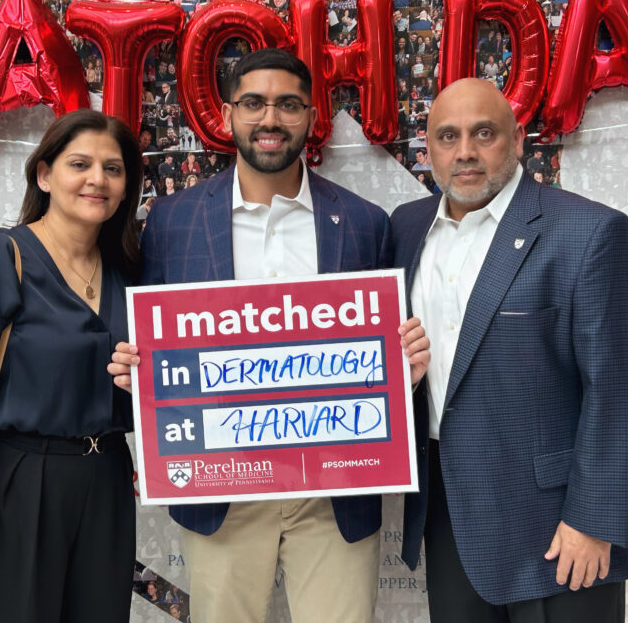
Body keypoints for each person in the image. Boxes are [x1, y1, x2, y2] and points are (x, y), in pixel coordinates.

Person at [108, 48, 428, 623]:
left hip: (337, 489)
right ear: (228, 112)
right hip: (222, 487)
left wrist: (402, 368)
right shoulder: (174, 222)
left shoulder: (364, 223)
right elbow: (153, 341)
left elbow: (382, 351)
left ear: (310, 115)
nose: (270, 119)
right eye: (253, 103)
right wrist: (141, 371)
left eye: (288, 104)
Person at [391, 79, 628, 622]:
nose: (465, 151)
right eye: (448, 136)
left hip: (557, 526)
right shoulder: (406, 228)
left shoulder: (590, 232)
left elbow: (623, 392)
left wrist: (594, 519)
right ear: (428, 150)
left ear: (517, 141)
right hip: (451, 514)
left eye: (483, 133)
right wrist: (405, 378)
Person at [0, 110, 143, 622]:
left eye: (113, 169)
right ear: (44, 175)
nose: (97, 180)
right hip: (19, 485)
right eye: (80, 164)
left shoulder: (132, 272)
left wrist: (145, 385)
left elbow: (138, 397)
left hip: (107, 482)